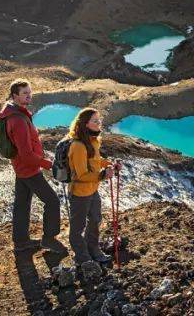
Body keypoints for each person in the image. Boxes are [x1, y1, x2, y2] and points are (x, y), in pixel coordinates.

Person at [1, 79, 67, 255]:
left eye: (30, 92)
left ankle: (21, 241)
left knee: (22, 205)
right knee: (52, 201)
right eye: (24, 93)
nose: (29, 95)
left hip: (22, 168)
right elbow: (26, 154)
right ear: (15, 96)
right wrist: (49, 164)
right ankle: (49, 239)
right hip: (28, 169)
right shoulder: (18, 120)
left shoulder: (15, 114)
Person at [66, 108, 119, 273]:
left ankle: (94, 249)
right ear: (85, 124)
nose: (99, 123)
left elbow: (96, 160)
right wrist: (103, 175)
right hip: (80, 193)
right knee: (78, 227)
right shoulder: (78, 145)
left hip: (92, 190)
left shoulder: (93, 140)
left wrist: (109, 164)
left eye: (99, 120)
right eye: (95, 121)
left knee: (95, 220)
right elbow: (81, 175)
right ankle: (83, 256)